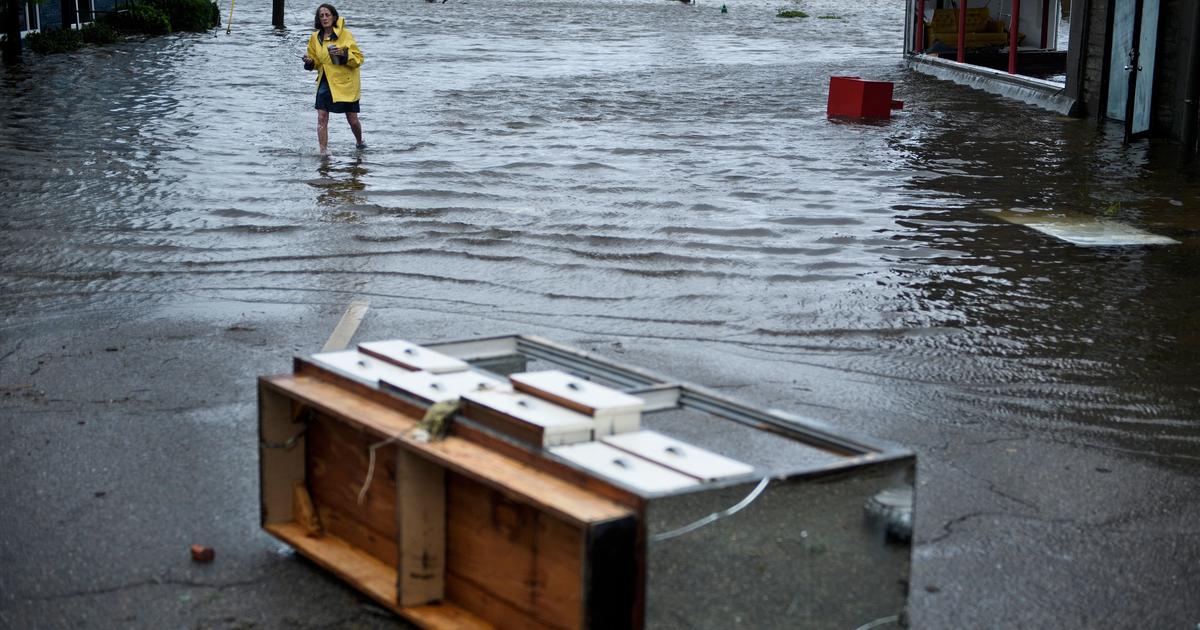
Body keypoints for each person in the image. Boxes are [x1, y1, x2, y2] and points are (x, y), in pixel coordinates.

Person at [302, 4, 365, 153]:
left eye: (327, 15)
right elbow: (316, 61)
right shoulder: (315, 37)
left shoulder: (346, 34)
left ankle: (359, 142)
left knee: (352, 119)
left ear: (334, 17)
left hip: (346, 83)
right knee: (322, 117)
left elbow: (359, 60)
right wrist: (310, 62)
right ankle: (323, 152)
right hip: (325, 80)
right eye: (321, 15)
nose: (324, 18)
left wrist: (344, 54)